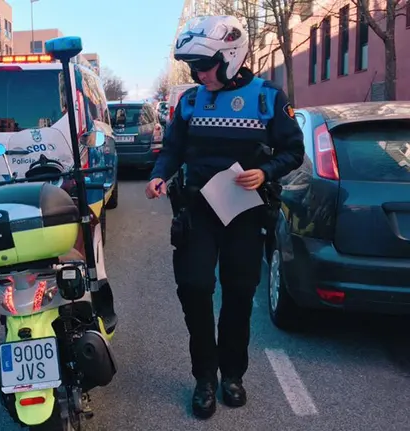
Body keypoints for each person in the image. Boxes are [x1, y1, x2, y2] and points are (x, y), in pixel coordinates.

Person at [145, 15, 304, 419]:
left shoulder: (268, 97)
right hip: (198, 211)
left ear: (231, 56)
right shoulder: (191, 102)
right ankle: (204, 377)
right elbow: (172, 150)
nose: (199, 74)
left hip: (245, 214)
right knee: (195, 289)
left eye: (205, 65)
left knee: (238, 294)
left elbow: (293, 152)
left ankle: (232, 375)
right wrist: (159, 176)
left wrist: (266, 172)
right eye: (193, 67)